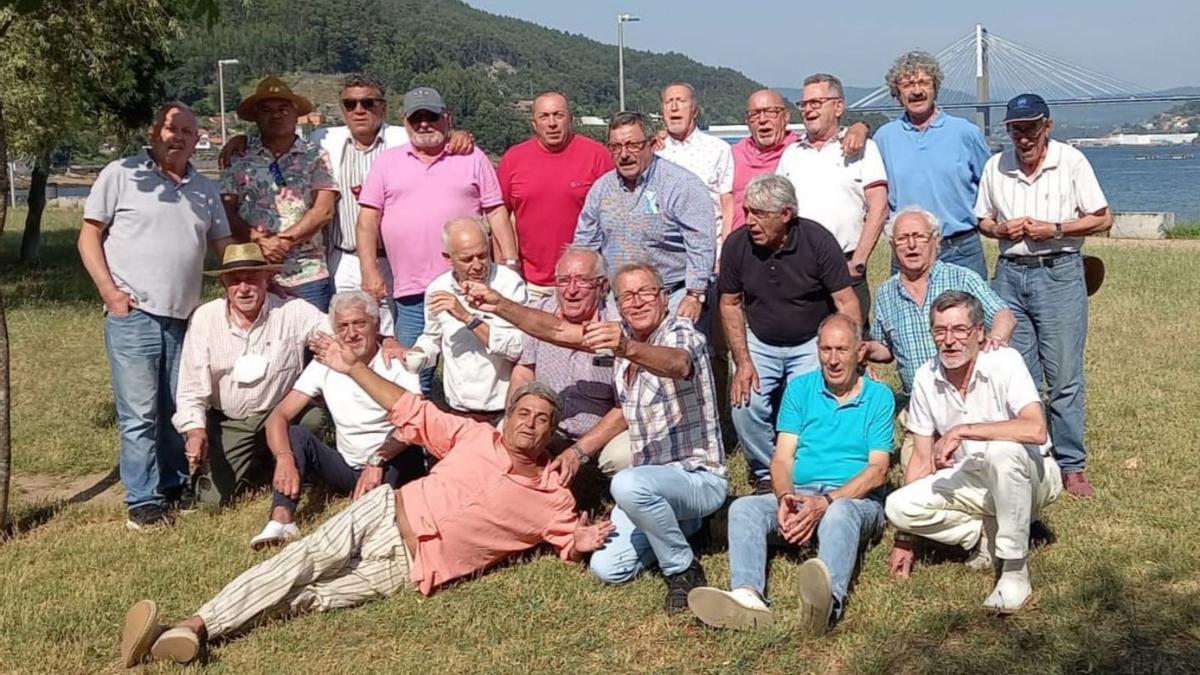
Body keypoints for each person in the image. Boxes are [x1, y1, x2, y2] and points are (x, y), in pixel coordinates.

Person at [118, 379, 613, 668]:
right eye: (522, 413)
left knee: (312, 598)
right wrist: (352, 365)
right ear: (507, 417)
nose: (529, 422)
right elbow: (411, 409)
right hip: (382, 514)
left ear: (553, 431)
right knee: (301, 561)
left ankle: (180, 642)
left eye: (542, 418)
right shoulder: (474, 435)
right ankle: (195, 624)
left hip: (410, 568)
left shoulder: (554, 498)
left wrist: (585, 541)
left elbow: (570, 542)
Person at [462, 261, 726, 613]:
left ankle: (682, 568)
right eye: (627, 296)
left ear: (664, 297)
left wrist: (626, 349)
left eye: (645, 292)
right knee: (608, 568)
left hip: (697, 478)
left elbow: (678, 364)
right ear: (617, 303)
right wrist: (500, 305)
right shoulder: (621, 337)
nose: (637, 302)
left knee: (628, 485)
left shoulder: (681, 334)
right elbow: (556, 330)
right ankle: (691, 525)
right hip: (653, 484)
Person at [219, 74, 477, 333]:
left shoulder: (403, 138)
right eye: (350, 104)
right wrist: (239, 140)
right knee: (348, 334)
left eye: (368, 103)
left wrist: (457, 134)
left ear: (383, 107)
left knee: (399, 334)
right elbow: (230, 203)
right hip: (344, 259)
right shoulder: (324, 139)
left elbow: (432, 131)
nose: (359, 110)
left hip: (396, 260)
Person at [688, 314, 893, 634]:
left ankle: (826, 605)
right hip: (802, 492)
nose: (834, 360)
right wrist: (785, 497)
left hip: (853, 500)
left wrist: (825, 502)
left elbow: (878, 472)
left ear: (860, 351)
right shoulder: (800, 389)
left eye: (842, 349)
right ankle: (748, 597)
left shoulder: (879, 397)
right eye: (826, 350)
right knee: (744, 508)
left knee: (839, 513)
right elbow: (782, 460)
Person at [78, 102, 232, 529]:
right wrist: (111, 295)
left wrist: (254, 276)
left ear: (197, 139)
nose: (178, 136)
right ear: (153, 132)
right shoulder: (121, 175)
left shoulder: (204, 188)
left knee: (176, 407)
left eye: (187, 131)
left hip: (185, 317)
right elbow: (89, 237)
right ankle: (143, 499)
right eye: (170, 128)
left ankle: (173, 483)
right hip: (135, 314)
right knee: (139, 413)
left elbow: (224, 248)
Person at [885, 291, 1062, 614]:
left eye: (960, 330)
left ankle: (1014, 571)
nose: (949, 341)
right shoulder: (927, 377)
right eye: (940, 331)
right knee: (897, 506)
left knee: (1001, 452)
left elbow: (1035, 430)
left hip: (1032, 474)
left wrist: (964, 430)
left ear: (980, 332)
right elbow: (921, 459)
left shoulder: (1005, 361)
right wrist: (905, 538)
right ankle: (983, 535)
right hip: (973, 477)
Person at [977, 94, 1113, 498]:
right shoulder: (995, 166)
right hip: (1010, 275)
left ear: (1047, 127)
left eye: (1031, 128)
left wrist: (1053, 229)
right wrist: (999, 231)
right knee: (1019, 373)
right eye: (1016, 129)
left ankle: (1072, 464)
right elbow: (982, 217)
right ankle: (1037, 454)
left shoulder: (1071, 162)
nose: (1023, 138)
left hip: (1059, 272)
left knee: (1065, 376)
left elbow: (1102, 217)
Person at [356, 86, 518, 394]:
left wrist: (509, 263)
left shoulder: (472, 156)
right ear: (405, 122)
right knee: (412, 371)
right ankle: (418, 440)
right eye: (416, 118)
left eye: (431, 116)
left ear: (447, 118)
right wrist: (369, 270)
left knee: (483, 368)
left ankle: (478, 428)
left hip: (470, 287)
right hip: (412, 291)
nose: (424, 124)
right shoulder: (387, 162)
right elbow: (366, 222)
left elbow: (496, 211)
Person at [251, 291, 426, 550]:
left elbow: (414, 423)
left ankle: (374, 520)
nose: (351, 333)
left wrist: (377, 460)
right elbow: (279, 415)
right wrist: (284, 457)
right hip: (348, 465)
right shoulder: (325, 364)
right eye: (343, 326)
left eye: (359, 324)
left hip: (391, 461)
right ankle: (282, 519)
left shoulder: (396, 363)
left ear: (376, 326)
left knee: (404, 463)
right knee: (296, 435)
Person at [719, 174, 860, 488]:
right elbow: (729, 303)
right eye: (747, 212)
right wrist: (742, 361)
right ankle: (766, 472)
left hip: (811, 340)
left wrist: (853, 352)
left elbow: (845, 301)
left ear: (786, 214)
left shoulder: (818, 241)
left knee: (811, 402)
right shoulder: (736, 245)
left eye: (760, 214)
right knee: (745, 401)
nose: (750, 221)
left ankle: (805, 468)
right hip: (760, 338)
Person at [171, 244, 329, 505]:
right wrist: (195, 432)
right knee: (211, 502)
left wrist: (383, 340)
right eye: (235, 281)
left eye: (252, 280)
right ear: (224, 285)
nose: (243, 288)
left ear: (267, 280)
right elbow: (191, 386)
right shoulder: (204, 318)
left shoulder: (293, 310)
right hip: (230, 419)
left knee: (314, 418)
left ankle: (304, 467)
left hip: (280, 412)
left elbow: (336, 331)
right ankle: (259, 463)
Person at [866, 207, 1015, 468]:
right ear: (892, 245)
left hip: (969, 405)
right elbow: (886, 351)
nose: (911, 245)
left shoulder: (962, 278)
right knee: (914, 489)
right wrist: (865, 349)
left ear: (935, 241)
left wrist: (997, 339)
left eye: (919, 237)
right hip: (922, 409)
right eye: (902, 239)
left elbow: (1003, 315)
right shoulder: (886, 293)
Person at [572, 112, 715, 326]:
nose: (624, 154)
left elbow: (701, 244)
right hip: (618, 300)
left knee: (671, 358)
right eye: (616, 147)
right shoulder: (601, 189)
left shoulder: (682, 185)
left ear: (652, 144)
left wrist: (695, 295)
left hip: (673, 297)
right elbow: (585, 245)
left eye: (633, 145)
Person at [510, 246, 631, 479]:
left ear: (603, 286)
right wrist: (514, 416)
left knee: (622, 456)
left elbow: (625, 408)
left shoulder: (621, 328)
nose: (571, 291)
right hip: (547, 427)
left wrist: (579, 451)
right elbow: (524, 371)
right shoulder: (539, 314)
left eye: (583, 281)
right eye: (564, 281)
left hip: (600, 435)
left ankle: (620, 500)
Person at [775, 73, 888, 318]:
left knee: (850, 346)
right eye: (804, 104)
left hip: (845, 265)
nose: (808, 110)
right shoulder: (791, 154)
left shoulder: (864, 149)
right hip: (798, 268)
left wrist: (858, 263)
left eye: (816, 103)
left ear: (838, 107)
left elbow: (879, 207)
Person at [221, 76, 339, 310]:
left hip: (307, 273)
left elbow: (323, 210)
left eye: (283, 108)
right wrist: (259, 239)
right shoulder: (239, 156)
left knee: (313, 343)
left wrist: (283, 242)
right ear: (256, 116)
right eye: (267, 109)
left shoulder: (315, 156)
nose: (276, 115)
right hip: (254, 273)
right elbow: (225, 209)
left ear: (296, 114)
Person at [872, 52, 992, 278]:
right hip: (908, 250)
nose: (917, 91)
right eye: (908, 85)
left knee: (969, 313)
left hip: (961, 249)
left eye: (924, 82)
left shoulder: (965, 133)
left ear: (935, 87)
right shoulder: (884, 138)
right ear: (897, 93)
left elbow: (990, 185)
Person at [403, 219, 527, 422]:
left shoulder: (509, 285)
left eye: (483, 256)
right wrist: (417, 354)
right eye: (467, 259)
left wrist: (468, 318)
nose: (478, 265)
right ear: (448, 258)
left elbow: (520, 348)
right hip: (459, 410)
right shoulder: (437, 289)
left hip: (504, 411)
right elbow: (432, 338)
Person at [498, 91, 613, 298]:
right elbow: (498, 216)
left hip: (585, 283)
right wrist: (507, 268)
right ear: (534, 124)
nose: (552, 123)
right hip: (530, 284)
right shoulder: (513, 159)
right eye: (544, 116)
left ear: (571, 119)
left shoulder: (598, 156)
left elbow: (615, 215)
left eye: (558, 115)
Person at [730, 90, 868, 232]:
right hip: (740, 246)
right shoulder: (732, 155)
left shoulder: (800, 150)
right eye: (755, 114)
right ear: (747, 121)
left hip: (785, 245)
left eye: (771, 112)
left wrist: (860, 127)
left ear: (786, 117)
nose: (763, 119)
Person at [656, 82, 735, 247]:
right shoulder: (654, 152)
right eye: (668, 101)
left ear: (695, 110)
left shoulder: (718, 149)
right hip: (665, 254)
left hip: (709, 249)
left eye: (681, 101)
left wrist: (726, 250)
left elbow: (728, 203)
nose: (674, 107)